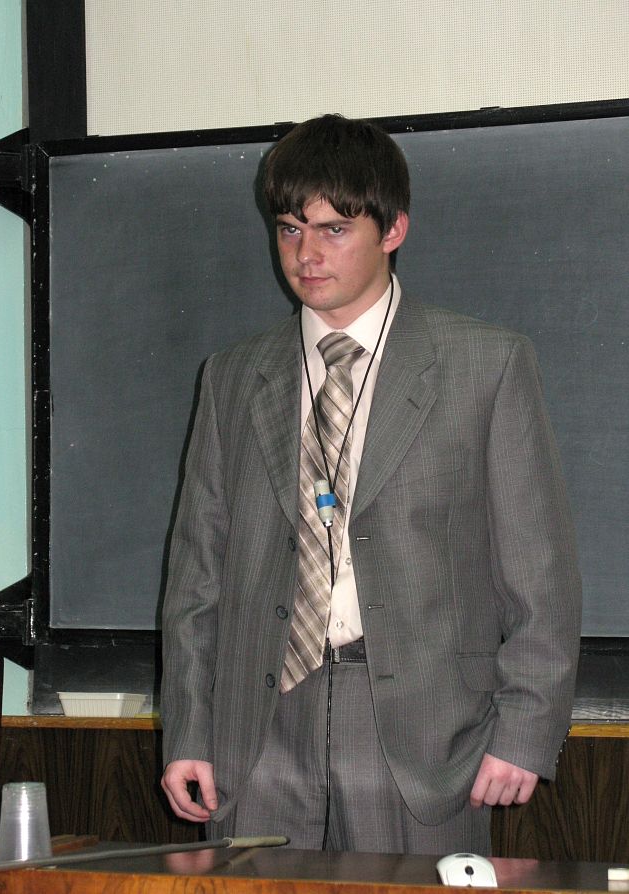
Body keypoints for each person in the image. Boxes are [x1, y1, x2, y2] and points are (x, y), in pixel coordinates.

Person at [160, 114, 581, 854]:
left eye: (334, 229)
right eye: (290, 229)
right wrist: (188, 731)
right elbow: (198, 577)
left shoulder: (485, 365)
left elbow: (538, 572)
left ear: (393, 230)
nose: (306, 253)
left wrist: (524, 730)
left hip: (427, 738)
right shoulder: (232, 376)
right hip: (255, 736)